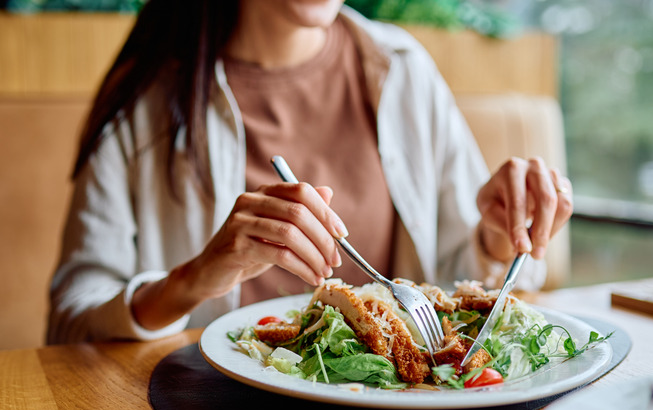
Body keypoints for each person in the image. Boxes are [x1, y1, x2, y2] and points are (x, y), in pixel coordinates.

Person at [47, 0, 573, 344]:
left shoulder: (403, 68)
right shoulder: (144, 103)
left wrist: (500, 239)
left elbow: (450, 281)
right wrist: (191, 279)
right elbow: (71, 319)